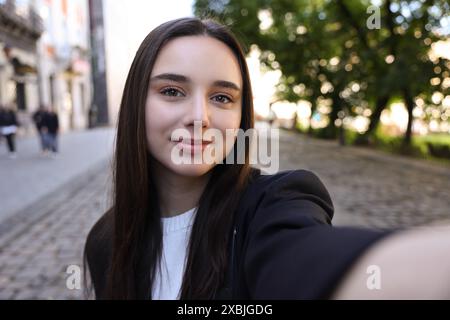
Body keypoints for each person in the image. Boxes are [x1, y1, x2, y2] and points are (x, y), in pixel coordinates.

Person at [84, 17, 450, 300]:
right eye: (172, 91)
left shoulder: (274, 204)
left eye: (222, 98)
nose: (200, 117)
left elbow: (304, 260)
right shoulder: (106, 239)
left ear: (241, 116)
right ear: (136, 103)